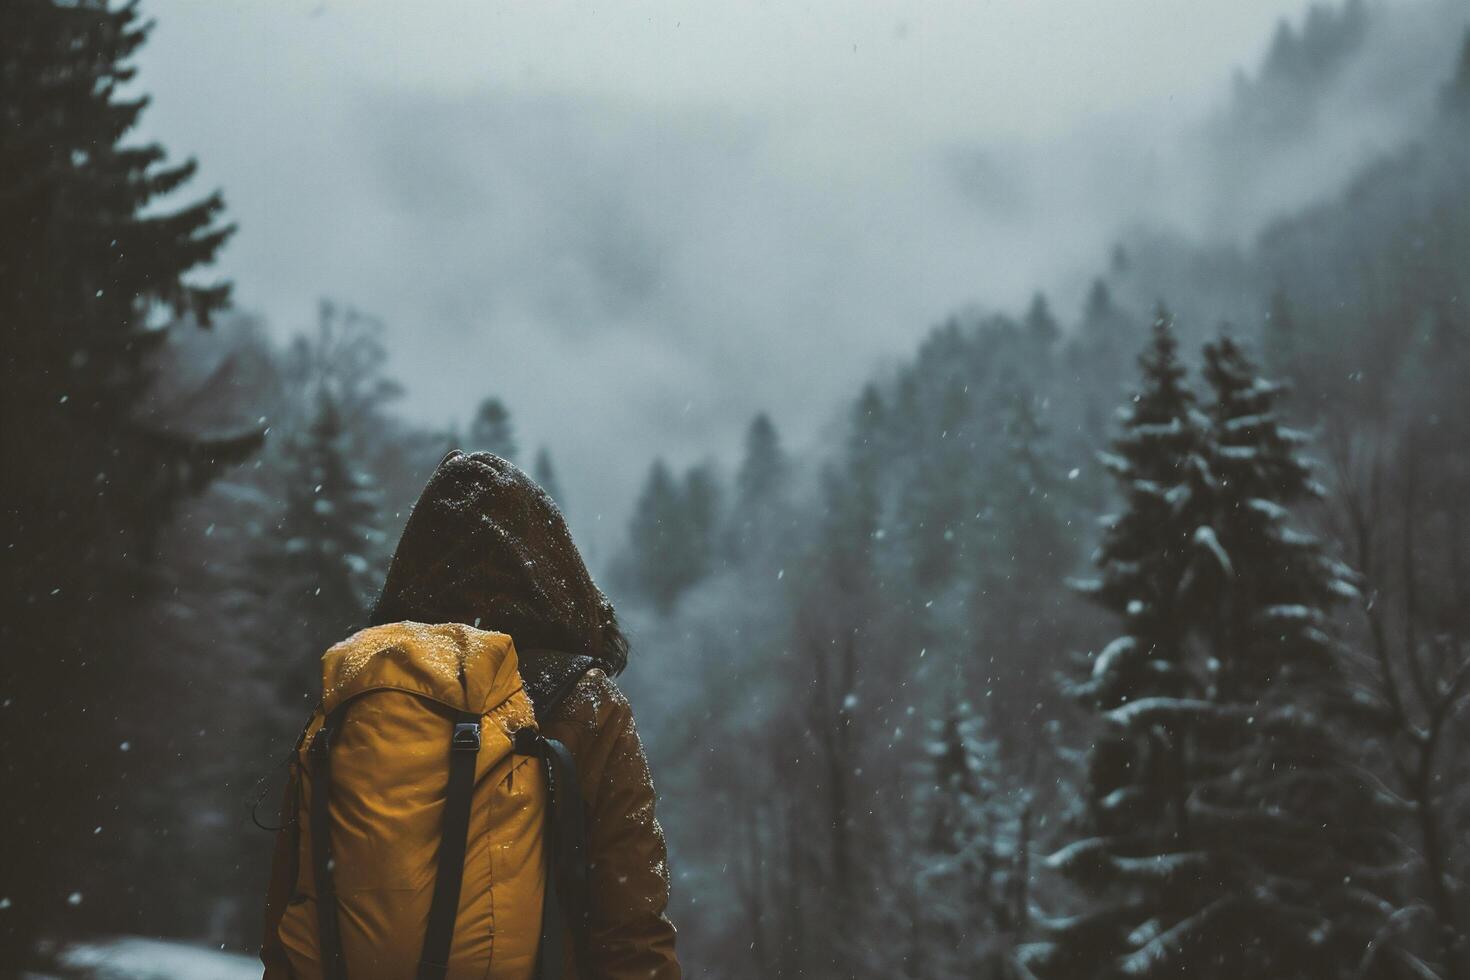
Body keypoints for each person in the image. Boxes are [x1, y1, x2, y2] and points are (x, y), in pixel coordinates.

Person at [260, 450, 680, 979]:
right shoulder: (583, 703)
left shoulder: (356, 696)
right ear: (552, 565)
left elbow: (288, 921)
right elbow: (632, 932)